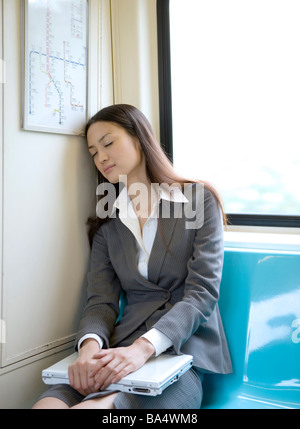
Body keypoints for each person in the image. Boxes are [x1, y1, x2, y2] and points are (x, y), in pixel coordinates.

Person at [33, 104, 232, 409]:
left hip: (179, 356)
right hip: (117, 350)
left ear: (139, 140)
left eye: (108, 143)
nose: (100, 157)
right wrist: (88, 349)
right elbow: (101, 301)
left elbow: (202, 292)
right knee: (46, 406)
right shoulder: (107, 224)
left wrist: (142, 349)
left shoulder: (197, 200)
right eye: (93, 151)